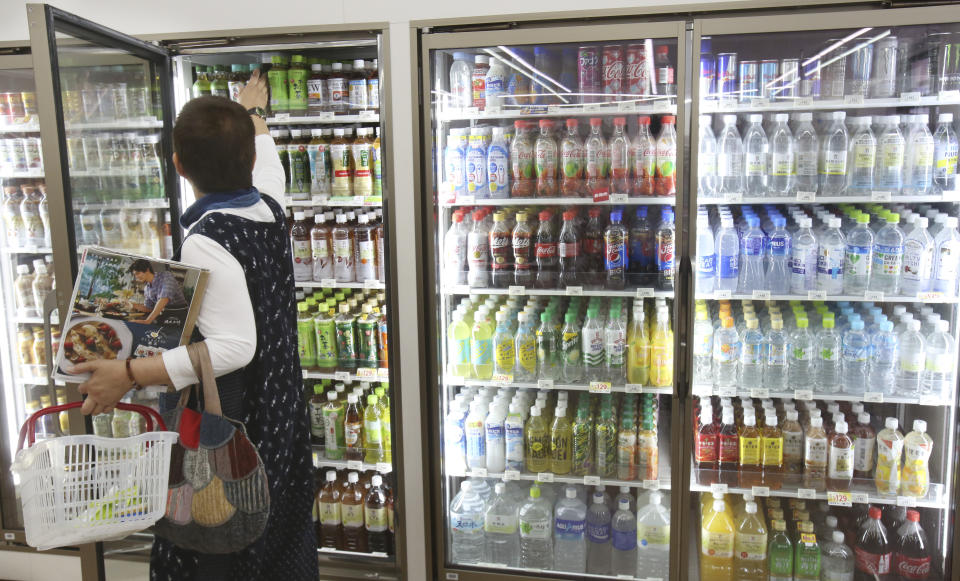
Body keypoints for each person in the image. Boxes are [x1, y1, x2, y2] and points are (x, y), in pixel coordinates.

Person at [72, 70, 317, 580]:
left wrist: (130, 374)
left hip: (232, 420)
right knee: (275, 532)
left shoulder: (206, 239)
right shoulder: (269, 208)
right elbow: (271, 167)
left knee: (224, 538)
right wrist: (254, 113)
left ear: (177, 166)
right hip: (278, 408)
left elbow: (234, 346)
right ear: (248, 158)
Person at [127, 259, 188, 325]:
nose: (136, 277)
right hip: (164, 316)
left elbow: (164, 298)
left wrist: (147, 321)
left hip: (180, 315)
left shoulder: (166, 276)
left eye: (138, 273)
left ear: (147, 270)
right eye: (135, 275)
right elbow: (149, 308)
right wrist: (132, 305)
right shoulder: (147, 289)